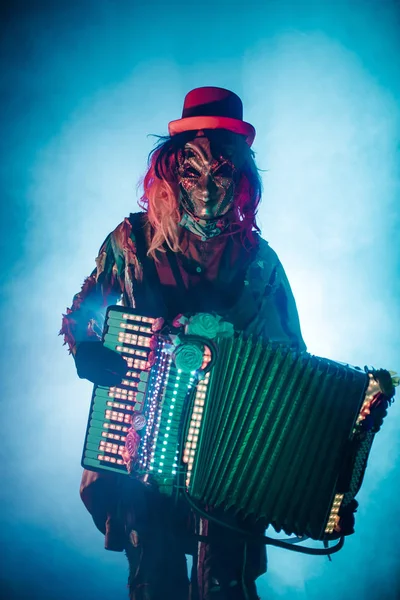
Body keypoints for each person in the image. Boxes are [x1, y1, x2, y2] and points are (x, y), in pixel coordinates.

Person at [61, 86, 306, 600]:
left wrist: (298, 460)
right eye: (194, 170)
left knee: (225, 587)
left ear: (240, 177)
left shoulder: (259, 262)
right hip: (141, 446)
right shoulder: (132, 240)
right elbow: (86, 309)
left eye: (221, 171)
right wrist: (87, 347)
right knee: (154, 578)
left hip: (230, 458)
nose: (208, 185)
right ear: (172, 171)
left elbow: (293, 368)